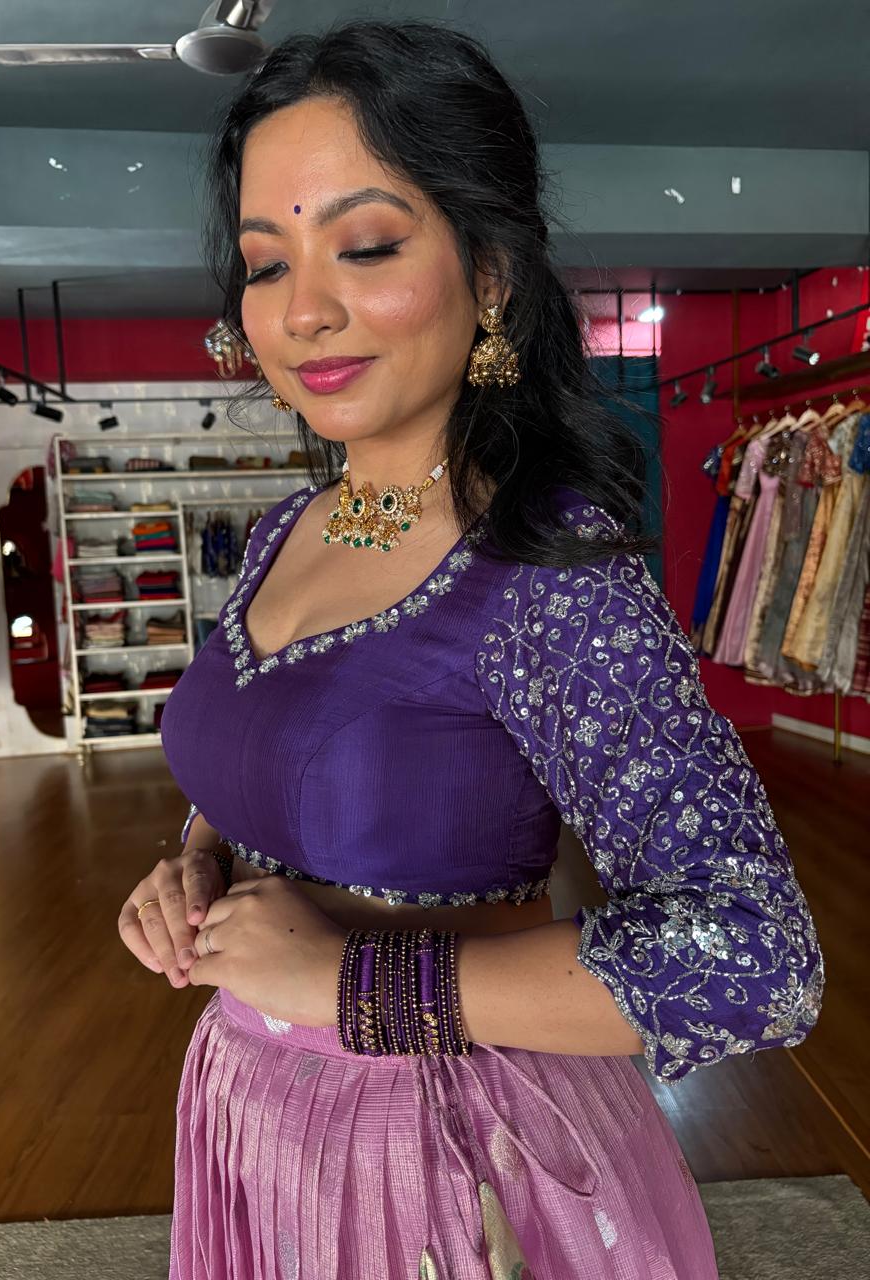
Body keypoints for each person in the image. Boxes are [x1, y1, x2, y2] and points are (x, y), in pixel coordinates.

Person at [117, 19, 825, 1278]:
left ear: (489, 274)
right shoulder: (288, 529)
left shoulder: (549, 568)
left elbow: (756, 958)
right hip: (247, 1105)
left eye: (367, 245)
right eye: (267, 263)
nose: (305, 310)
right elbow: (283, 746)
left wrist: (357, 982)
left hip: (448, 1145)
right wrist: (198, 861)